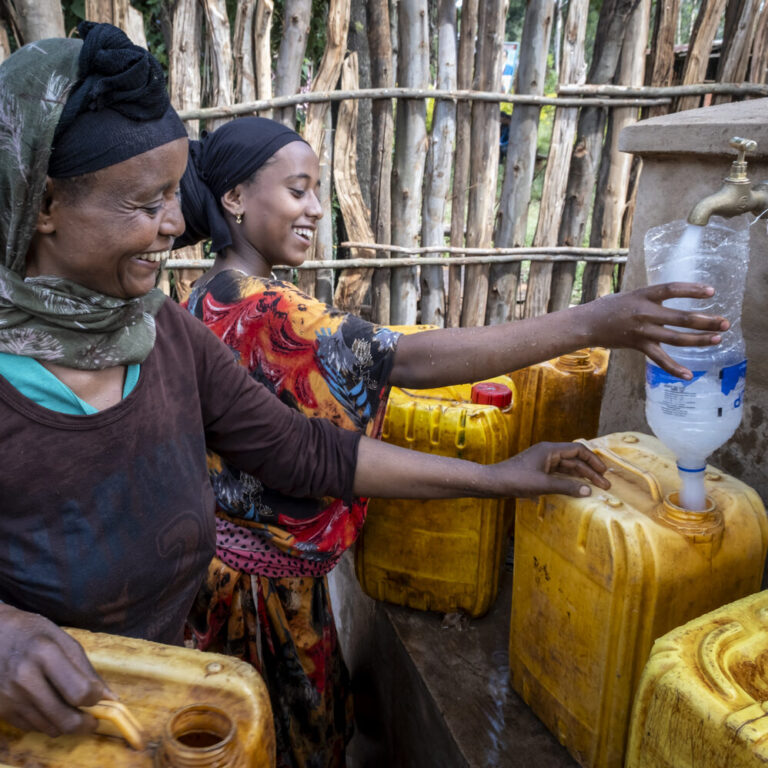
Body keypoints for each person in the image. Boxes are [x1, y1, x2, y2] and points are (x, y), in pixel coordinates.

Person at [0, 22, 624, 744]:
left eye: (175, 195)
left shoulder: (167, 337)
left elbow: (312, 452)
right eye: (146, 204)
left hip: (155, 711)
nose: (175, 224)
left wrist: (502, 478)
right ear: (44, 205)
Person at [177, 116, 729, 767]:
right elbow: (406, 362)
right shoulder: (260, 308)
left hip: (228, 582)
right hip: (261, 607)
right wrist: (591, 322)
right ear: (235, 198)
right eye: (299, 190)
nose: (318, 208)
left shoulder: (209, 296)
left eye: (318, 190)